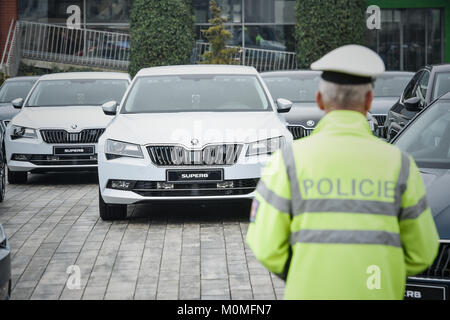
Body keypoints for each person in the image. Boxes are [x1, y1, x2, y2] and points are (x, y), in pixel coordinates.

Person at [246, 44, 439, 300]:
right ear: (369, 101)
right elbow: (423, 252)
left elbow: (265, 245)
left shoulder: (288, 162)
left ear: (319, 100)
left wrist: (304, 271)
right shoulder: (400, 165)